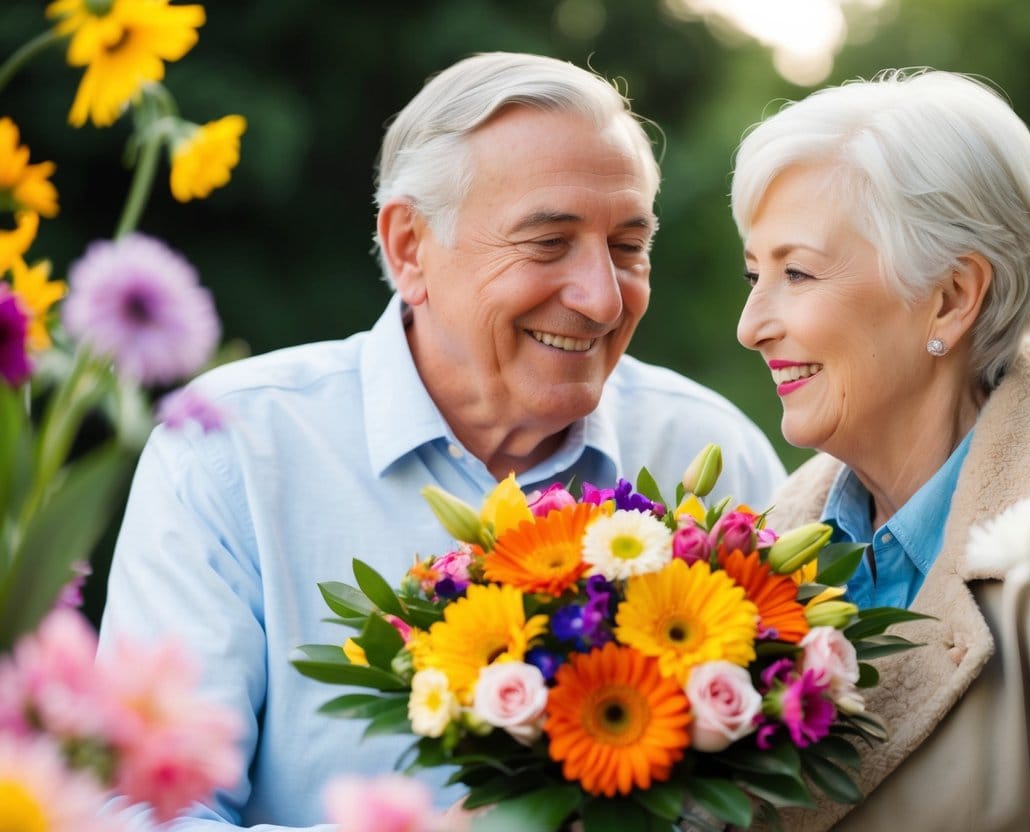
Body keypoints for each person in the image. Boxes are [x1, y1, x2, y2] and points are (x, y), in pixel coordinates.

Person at [99, 52, 785, 830]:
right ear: (409, 248)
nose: (601, 299)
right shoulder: (231, 449)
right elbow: (138, 813)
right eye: (547, 242)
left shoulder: (711, 453)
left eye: (627, 246)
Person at [732, 70, 1030, 831]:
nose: (750, 325)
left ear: (952, 297)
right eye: (753, 274)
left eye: (796, 273)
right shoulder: (751, 553)